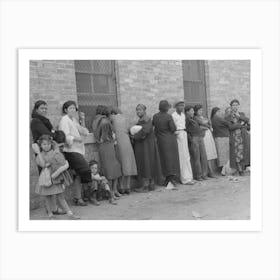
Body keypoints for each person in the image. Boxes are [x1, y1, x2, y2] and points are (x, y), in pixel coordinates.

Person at [33, 135, 80, 219]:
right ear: (40, 145)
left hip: (56, 178)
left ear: (51, 144)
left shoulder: (55, 152)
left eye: (48, 144)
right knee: (47, 197)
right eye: (44, 144)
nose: (46, 146)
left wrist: (57, 155)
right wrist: (38, 153)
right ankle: (50, 214)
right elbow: (43, 164)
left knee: (60, 195)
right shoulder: (40, 155)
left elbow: (62, 162)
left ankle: (70, 213)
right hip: (46, 178)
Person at [30, 100, 65, 215]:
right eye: (42, 108)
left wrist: (55, 133)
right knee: (46, 181)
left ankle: (52, 208)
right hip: (42, 155)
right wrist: (57, 134)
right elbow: (49, 134)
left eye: (45, 108)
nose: (44, 110)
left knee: (52, 180)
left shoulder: (43, 120)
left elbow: (52, 133)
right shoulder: (36, 121)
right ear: (36, 109)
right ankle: (51, 209)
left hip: (50, 153)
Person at [58, 100, 92, 206]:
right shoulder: (64, 120)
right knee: (85, 170)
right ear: (65, 110)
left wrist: (82, 120)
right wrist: (77, 139)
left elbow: (84, 131)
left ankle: (78, 198)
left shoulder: (73, 119)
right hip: (71, 151)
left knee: (77, 174)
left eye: (74, 108)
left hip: (77, 150)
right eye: (70, 108)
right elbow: (65, 136)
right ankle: (88, 194)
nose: (73, 110)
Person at [92, 105, 122, 199]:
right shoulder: (104, 121)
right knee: (113, 169)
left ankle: (111, 192)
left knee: (107, 170)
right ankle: (112, 192)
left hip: (101, 147)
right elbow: (106, 136)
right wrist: (112, 138)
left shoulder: (95, 121)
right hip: (108, 146)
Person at [132, 104, 162, 192]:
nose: (138, 112)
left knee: (146, 164)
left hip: (146, 146)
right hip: (143, 145)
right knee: (147, 163)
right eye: (137, 110)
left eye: (140, 110)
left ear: (145, 110)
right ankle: (150, 184)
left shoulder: (146, 119)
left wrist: (134, 137)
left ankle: (146, 186)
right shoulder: (141, 120)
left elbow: (145, 131)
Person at [110, 107, 137, 195]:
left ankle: (121, 187)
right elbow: (130, 129)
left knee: (121, 164)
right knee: (128, 163)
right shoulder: (125, 118)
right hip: (127, 142)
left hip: (118, 142)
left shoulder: (112, 118)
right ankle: (127, 187)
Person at [152, 100, 180, 187]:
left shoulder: (155, 116)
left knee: (164, 159)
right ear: (166, 108)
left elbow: (153, 125)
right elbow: (173, 128)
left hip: (160, 140)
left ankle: (165, 178)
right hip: (169, 140)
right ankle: (170, 179)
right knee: (171, 159)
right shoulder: (168, 117)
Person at [171, 101, 195, 185]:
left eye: (182, 106)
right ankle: (184, 179)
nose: (181, 107)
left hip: (184, 134)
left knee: (187, 156)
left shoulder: (183, 115)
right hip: (178, 135)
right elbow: (173, 127)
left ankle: (189, 177)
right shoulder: (173, 116)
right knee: (182, 157)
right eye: (180, 106)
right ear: (176, 106)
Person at [226, 99, 250, 175]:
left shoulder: (241, 114)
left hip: (242, 136)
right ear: (231, 106)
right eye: (233, 105)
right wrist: (241, 125)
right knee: (236, 153)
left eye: (236, 105)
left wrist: (239, 117)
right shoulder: (228, 116)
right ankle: (239, 169)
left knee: (242, 153)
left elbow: (247, 120)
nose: (235, 106)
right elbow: (230, 127)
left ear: (238, 106)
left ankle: (241, 168)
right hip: (234, 137)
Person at [185, 105, 209, 181]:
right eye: (191, 111)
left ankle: (204, 174)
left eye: (193, 111)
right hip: (194, 138)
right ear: (187, 112)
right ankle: (198, 175)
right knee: (197, 157)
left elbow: (201, 126)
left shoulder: (194, 118)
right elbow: (186, 130)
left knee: (204, 156)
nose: (193, 112)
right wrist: (190, 138)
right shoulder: (187, 119)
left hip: (200, 137)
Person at [194, 104, 217, 178]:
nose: (201, 111)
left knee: (210, 153)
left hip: (208, 135)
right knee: (205, 154)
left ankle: (211, 171)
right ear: (196, 111)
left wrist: (207, 125)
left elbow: (209, 124)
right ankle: (205, 173)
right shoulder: (195, 118)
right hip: (202, 136)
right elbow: (201, 125)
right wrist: (207, 125)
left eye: (201, 110)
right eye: (199, 110)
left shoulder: (204, 117)